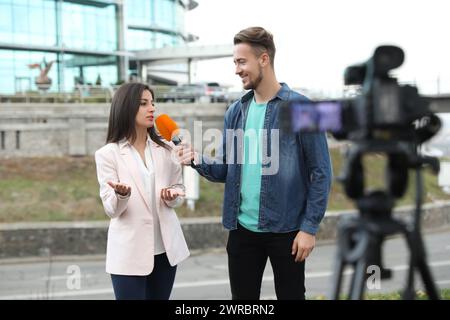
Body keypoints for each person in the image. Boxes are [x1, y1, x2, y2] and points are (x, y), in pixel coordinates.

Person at [176, 27, 332, 300]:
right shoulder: (236, 111)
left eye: (241, 61)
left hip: (288, 231)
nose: (236, 70)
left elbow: (321, 173)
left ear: (263, 59)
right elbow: (226, 169)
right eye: (235, 62)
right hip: (242, 231)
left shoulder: (302, 109)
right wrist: (196, 159)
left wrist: (309, 228)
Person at [94, 82, 189, 300]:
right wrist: (121, 196)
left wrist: (172, 196)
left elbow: (179, 189)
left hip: (165, 252)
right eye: (144, 104)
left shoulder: (167, 149)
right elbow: (111, 210)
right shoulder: (108, 154)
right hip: (128, 254)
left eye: (153, 103)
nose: (152, 108)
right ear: (126, 107)